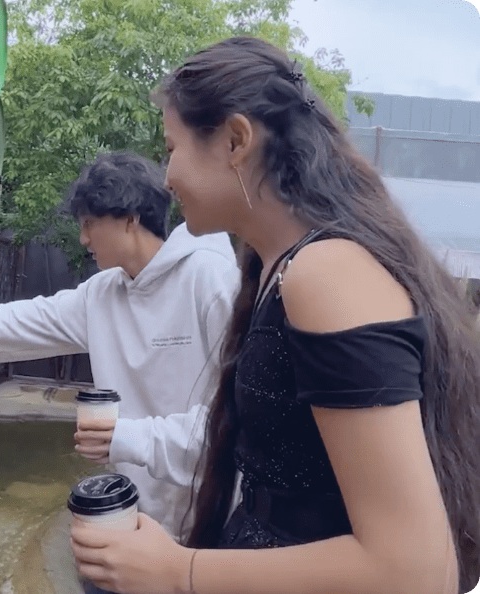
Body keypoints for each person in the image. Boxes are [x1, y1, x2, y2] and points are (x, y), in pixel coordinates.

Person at [69, 37, 480, 594]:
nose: (165, 177)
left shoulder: (328, 273)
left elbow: (415, 571)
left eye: (173, 148)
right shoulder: (274, 269)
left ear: (236, 140)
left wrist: (177, 572)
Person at [0, 151, 241, 546]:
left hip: (213, 525)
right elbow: (11, 326)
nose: (83, 238)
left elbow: (237, 425)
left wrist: (125, 437)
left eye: (89, 224)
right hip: (135, 521)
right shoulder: (102, 295)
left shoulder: (211, 279)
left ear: (130, 219)